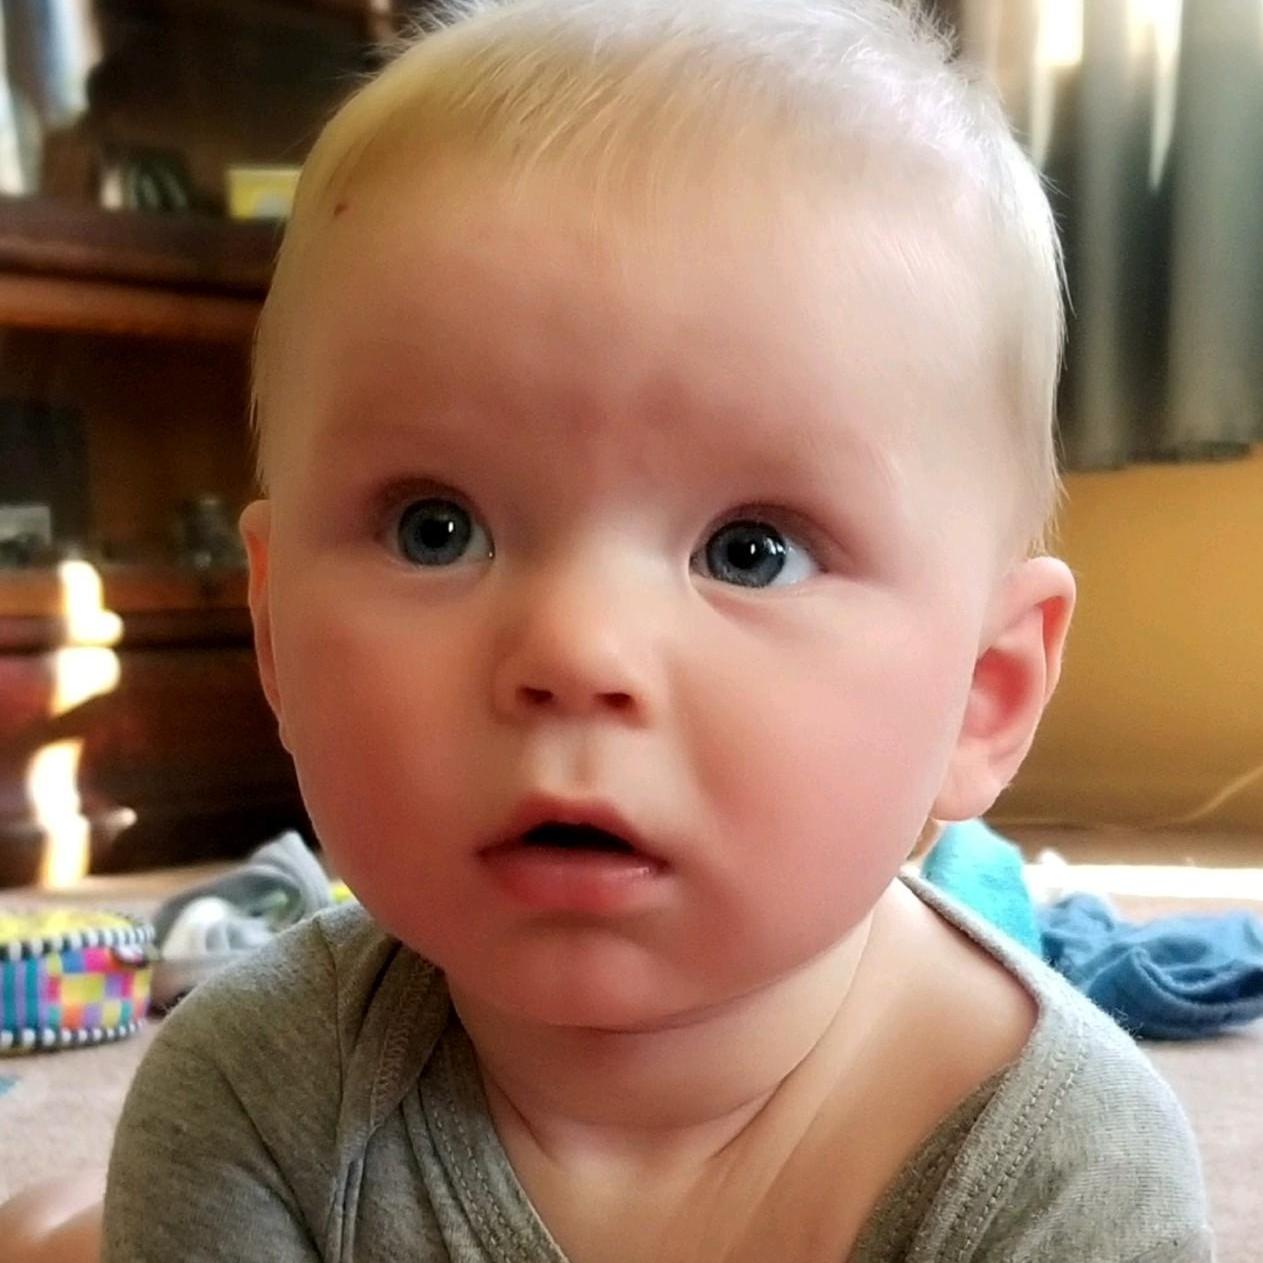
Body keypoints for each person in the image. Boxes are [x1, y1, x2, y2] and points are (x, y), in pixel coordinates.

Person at [8, 1, 1214, 1259]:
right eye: (436, 529)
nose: (574, 650)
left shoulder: (1064, 1176)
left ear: (984, 693)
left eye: (752, 552)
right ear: (274, 635)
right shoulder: (253, 1103)